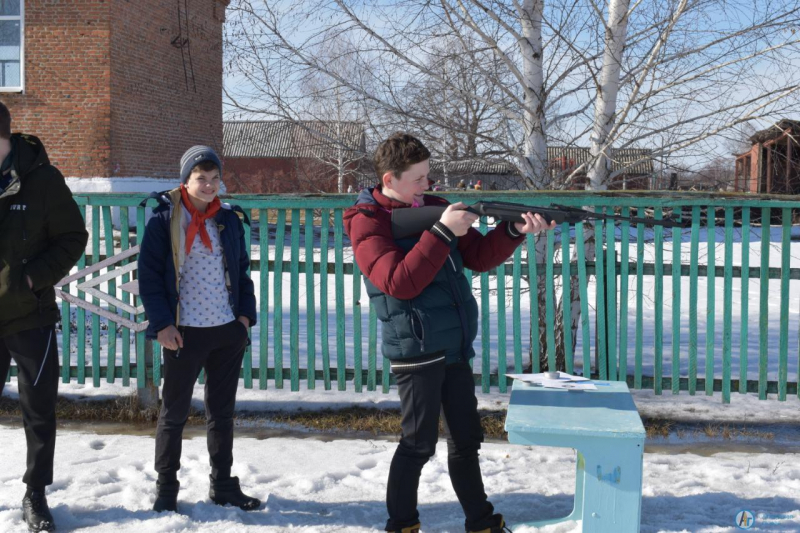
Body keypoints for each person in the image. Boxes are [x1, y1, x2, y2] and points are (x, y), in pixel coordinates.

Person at [343, 133, 555, 533]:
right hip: (415, 349)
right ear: (390, 179)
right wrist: (441, 232)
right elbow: (398, 281)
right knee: (417, 445)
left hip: (454, 346)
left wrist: (513, 232)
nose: (430, 186)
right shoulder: (367, 221)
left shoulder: (433, 208)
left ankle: (481, 522)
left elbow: (476, 256)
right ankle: (402, 525)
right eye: (420, 178)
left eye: (429, 175)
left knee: (466, 441)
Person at [138, 146, 260, 513]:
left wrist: (243, 321)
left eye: (214, 178)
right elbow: (149, 278)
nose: (208, 185)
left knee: (221, 413)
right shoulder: (164, 220)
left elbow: (241, 273)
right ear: (185, 180)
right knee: (173, 414)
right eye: (200, 179)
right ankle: (166, 489)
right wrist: (162, 324)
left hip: (226, 332)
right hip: (183, 334)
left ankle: (222, 484)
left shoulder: (228, 219)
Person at [0, 100, 89, 532]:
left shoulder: (42, 180)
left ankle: (35, 493)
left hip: (30, 317)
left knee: (38, 411)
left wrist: (35, 278)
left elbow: (73, 236)